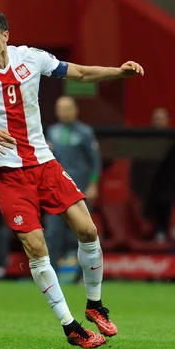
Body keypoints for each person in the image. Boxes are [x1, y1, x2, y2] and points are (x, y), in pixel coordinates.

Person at [0, 10, 144, 348]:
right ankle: (71, 327)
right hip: (8, 175)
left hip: (44, 164)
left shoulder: (31, 58)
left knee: (88, 230)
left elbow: (78, 72)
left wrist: (118, 72)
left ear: (5, 35)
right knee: (37, 247)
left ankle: (95, 306)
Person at [45, 96, 101, 273]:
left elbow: (95, 161)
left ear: (75, 110)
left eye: (67, 108)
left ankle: (81, 274)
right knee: (53, 232)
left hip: (79, 191)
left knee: (80, 233)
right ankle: (52, 272)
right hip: (55, 191)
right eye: (60, 108)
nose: (63, 112)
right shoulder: (52, 132)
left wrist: (93, 184)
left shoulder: (85, 132)